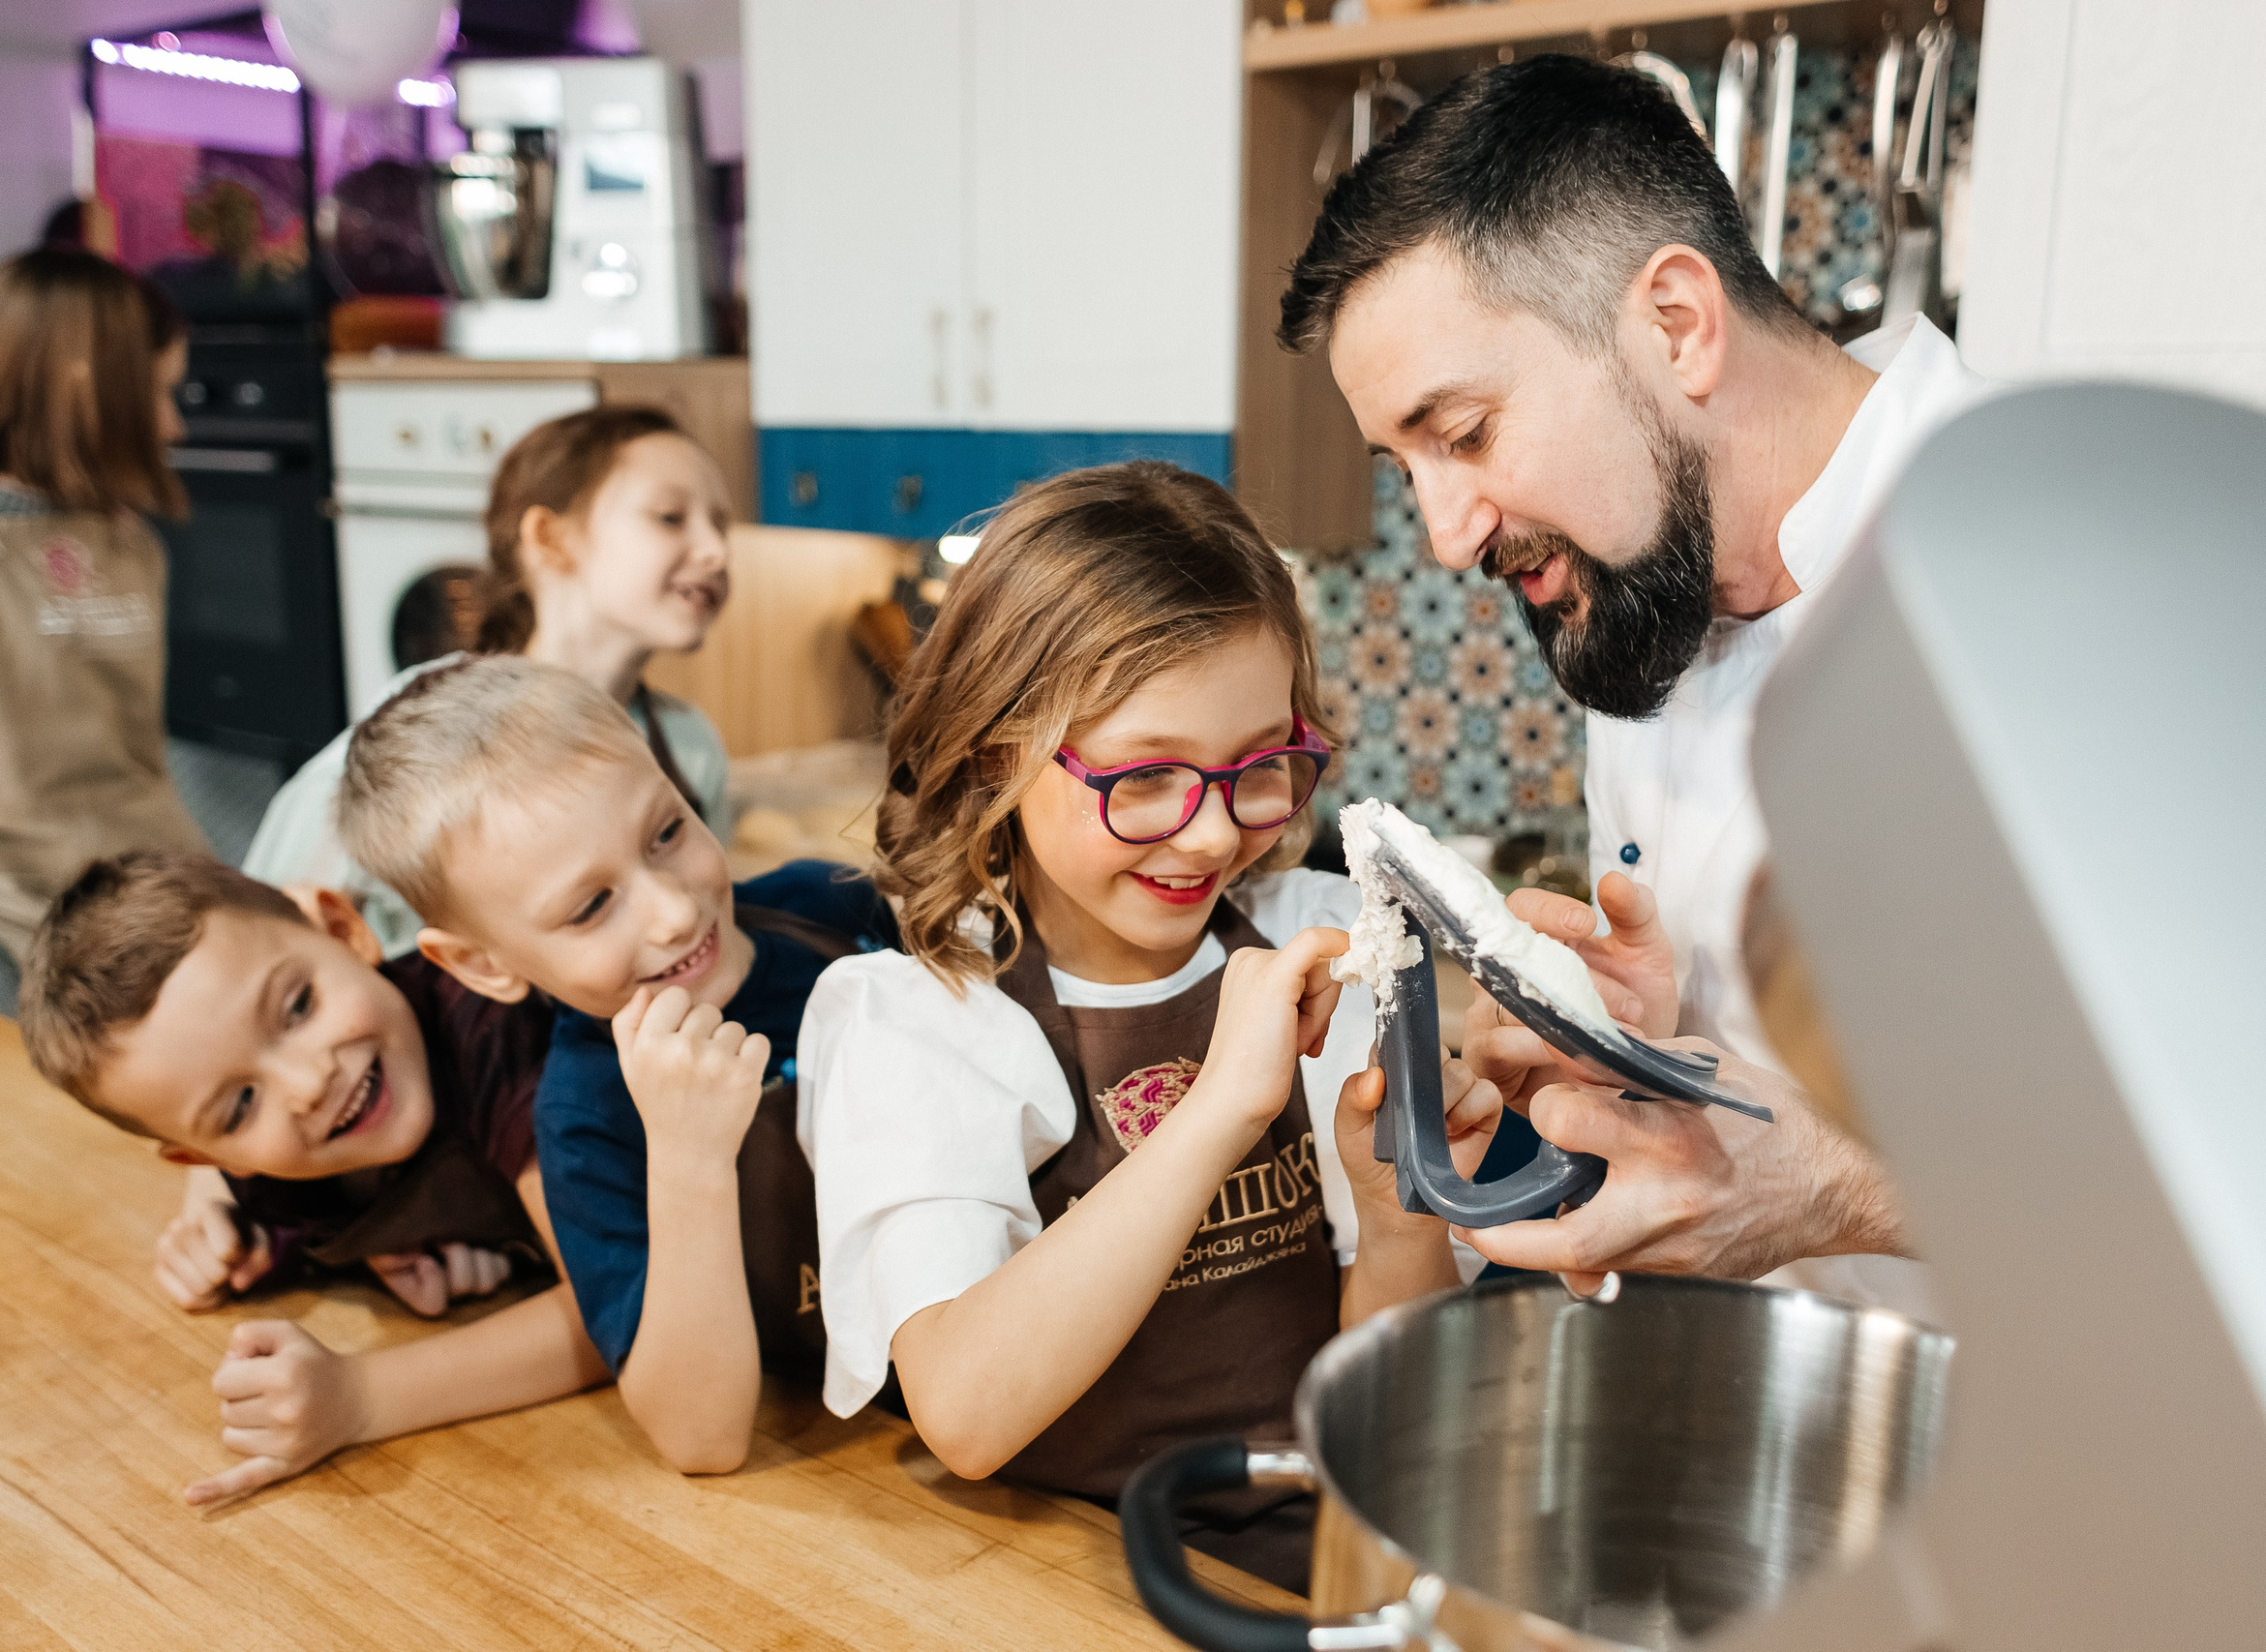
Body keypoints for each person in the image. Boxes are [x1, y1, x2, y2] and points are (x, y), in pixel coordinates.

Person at [1274, 55, 1979, 1287]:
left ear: (1676, 325)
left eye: (1465, 435)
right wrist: (1640, 1036)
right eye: (1404, 466)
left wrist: (1841, 1189)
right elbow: (1754, 1100)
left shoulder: (2077, 582)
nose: (1445, 536)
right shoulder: (1643, 586)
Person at [796, 463, 1498, 1592]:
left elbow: (1393, 1386)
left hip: (1331, 1538)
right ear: (994, 751)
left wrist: (1399, 1213)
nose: (1213, 833)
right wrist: (1220, 1109)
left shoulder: (1317, 934)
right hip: (1080, 1574)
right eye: (1145, 777)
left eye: (1259, 766)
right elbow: (965, 1415)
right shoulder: (922, 1022)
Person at [331, 654, 882, 1476]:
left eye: (666, 832)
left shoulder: (832, 905)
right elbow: (702, 1436)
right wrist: (689, 1155)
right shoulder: (585, 1116)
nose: (673, 907)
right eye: (591, 906)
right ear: (484, 964)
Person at [15, 849, 607, 1508]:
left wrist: (359, 1396)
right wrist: (236, 1242)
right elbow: (310, 1219)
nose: (308, 1083)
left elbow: (622, 1307)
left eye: (297, 1006)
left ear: (340, 929)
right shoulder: (280, 1174)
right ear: (208, 1156)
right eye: (240, 1104)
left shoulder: (499, 1032)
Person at [244, 405, 737, 959]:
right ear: (550, 539)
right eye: (671, 517)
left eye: (720, 524)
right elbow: (271, 928)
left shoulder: (692, 750)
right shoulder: (431, 726)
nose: (716, 550)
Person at [0, 248, 216, 1008]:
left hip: (162, 929)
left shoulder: (131, 542)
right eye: (157, 392)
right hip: (21, 967)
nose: (172, 425)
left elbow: (136, 773)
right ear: (83, 382)